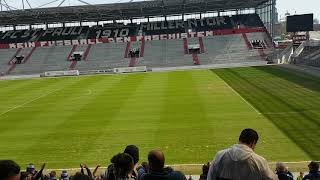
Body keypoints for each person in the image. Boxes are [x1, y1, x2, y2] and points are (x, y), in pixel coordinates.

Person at [207, 128, 278, 180]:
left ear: (240, 139)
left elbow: (210, 177)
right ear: (253, 143)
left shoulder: (220, 155)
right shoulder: (259, 161)